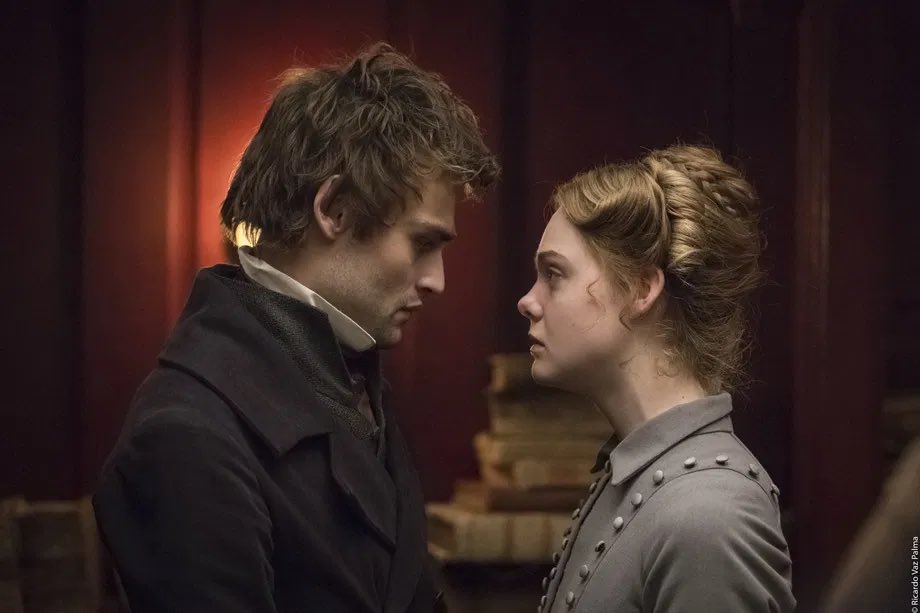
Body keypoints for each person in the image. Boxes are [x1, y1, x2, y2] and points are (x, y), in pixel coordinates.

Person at [93, 43, 499, 613]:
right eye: (422, 242)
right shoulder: (187, 434)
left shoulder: (348, 369)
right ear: (334, 209)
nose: (437, 281)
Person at [517, 145, 795, 612]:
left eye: (554, 274)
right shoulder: (634, 474)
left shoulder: (709, 514)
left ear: (641, 289)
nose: (528, 300)